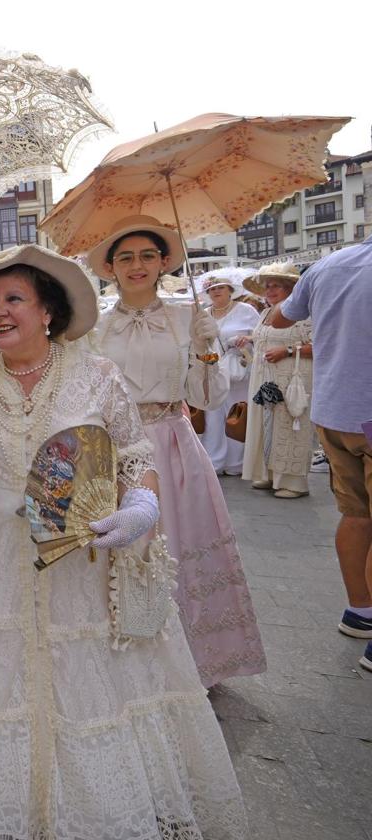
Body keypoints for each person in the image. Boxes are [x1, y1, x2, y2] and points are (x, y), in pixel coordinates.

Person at [0, 244, 247, 840]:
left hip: (81, 557)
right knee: (10, 677)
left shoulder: (96, 375)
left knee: (86, 676)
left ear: (48, 313)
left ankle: (95, 810)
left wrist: (141, 504)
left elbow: (134, 455)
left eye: (14, 298)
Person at [90, 215, 266, 687]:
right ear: (110, 267)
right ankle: (132, 662)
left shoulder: (189, 317)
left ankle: (197, 665)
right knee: (127, 553)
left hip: (174, 443)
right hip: (116, 453)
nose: (137, 265)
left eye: (148, 255)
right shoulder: (94, 327)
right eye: (125, 257)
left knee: (183, 548)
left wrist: (207, 350)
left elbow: (206, 396)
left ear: (165, 261)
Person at [269, 232, 372, 672]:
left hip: (334, 412)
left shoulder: (330, 265)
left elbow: (280, 317)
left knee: (356, 514)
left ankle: (360, 611)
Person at [238, 263, 313, 499]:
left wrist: (288, 351)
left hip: (292, 378)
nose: (270, 290)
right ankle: (269, 473)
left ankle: (293, 481)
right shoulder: (265, 313)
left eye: (276, 286)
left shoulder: (304, 314)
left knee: (290, 425)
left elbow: (321, 344)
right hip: (264, 378)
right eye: (267, 286)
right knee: (265, 423)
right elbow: (265, 338)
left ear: (290, 288)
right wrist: (249, 340)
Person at [197, 272, 261, 475]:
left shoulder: (246, 310)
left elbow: (260, 334)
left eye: (220, 288)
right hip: (212, 370)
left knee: (236, 414)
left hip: (238, 370)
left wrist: (247, 338)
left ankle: (236, 463)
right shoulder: (204, 313)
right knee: (213, 415)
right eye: (212, 289)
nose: (216, 292)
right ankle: (214, 461)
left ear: (230, 291)